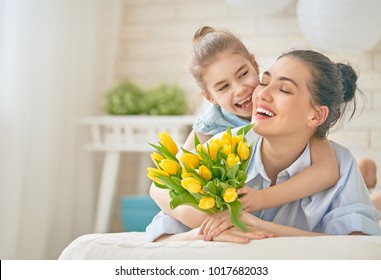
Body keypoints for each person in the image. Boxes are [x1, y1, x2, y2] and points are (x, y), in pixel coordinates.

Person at [147, 49, 381, 243]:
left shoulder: (338, 163)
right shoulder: (224, 148)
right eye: (264, 82)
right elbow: (161, 228)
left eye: (284, 89)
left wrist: (256, 226)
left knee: (365, 207)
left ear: (316, 115)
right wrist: (205, 232)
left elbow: (357, 247)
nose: (260, 94)